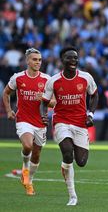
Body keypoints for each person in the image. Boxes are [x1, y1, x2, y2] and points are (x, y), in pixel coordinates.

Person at [40, 46, 98, 206]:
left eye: (75, 58)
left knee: (81, 162)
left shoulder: (86, 78)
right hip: (61, 121)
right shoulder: (54, 81)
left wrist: (90, 114)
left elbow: (94, 95)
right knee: (67, 153)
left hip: (80, 123)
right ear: (62, 61)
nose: (73, 61)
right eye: (69, 58)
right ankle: (72, 196)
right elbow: (44, 102)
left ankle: (65, 166)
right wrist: (43, 115)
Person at [2, 48, 54, 196]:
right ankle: (25, 167)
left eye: (39, 60)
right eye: (34, 59)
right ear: (27, 61)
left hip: (40, 122)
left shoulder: (47, 79)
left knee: (36, 155)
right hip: (23, 119)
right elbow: (6, 93)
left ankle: (29, 181)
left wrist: (44, 99)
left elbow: (55, 102)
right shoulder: (18, 78)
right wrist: (8, 110)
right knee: (27, 145)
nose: (37, 62)